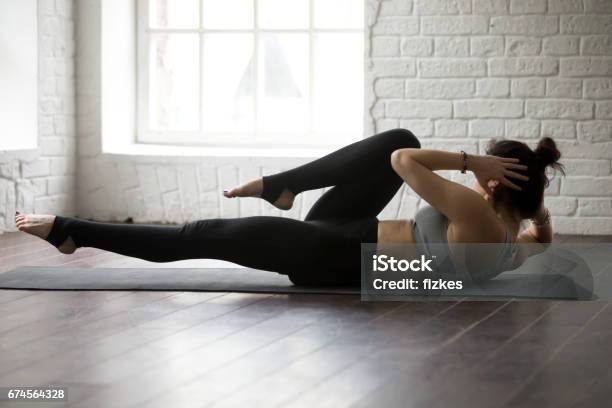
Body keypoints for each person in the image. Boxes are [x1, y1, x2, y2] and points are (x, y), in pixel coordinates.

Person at [15, 128, 563, 286]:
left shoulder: (478, 214)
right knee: (398, 131)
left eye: (489, 172)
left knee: (200, 235)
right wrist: (536, 211)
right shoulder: (510, 244)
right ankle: (284, 185)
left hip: (339, 255)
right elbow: (542, 238)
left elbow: (403, 161)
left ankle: (71, 231)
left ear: (494, 184)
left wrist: (470, 162)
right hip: (350, 230)